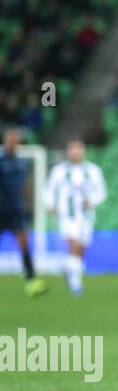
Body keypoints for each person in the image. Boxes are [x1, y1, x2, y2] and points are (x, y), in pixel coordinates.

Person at [45, 139, 106, 298]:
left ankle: (69, 269)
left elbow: (101, 191)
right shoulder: (59, 170)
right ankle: (75, 282)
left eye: (78, 150)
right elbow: (50, 189)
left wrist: (92, 201)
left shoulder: (93, 170)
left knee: (82, 248)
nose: (75, 153)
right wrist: (50, 204)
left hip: (86, 215)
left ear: (83, 152)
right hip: (67, 214)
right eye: (73, 150)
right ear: (68, 152)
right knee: (73, 243)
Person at [0, 127, 47, 297]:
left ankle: (32, 281)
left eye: (15, 140)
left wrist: (27, 206)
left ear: (19, 142)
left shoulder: (22, 163)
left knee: (24, 244)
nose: (12, 143)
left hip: (16, 210)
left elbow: (23, 188)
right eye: (9, 139)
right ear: (5, 142)